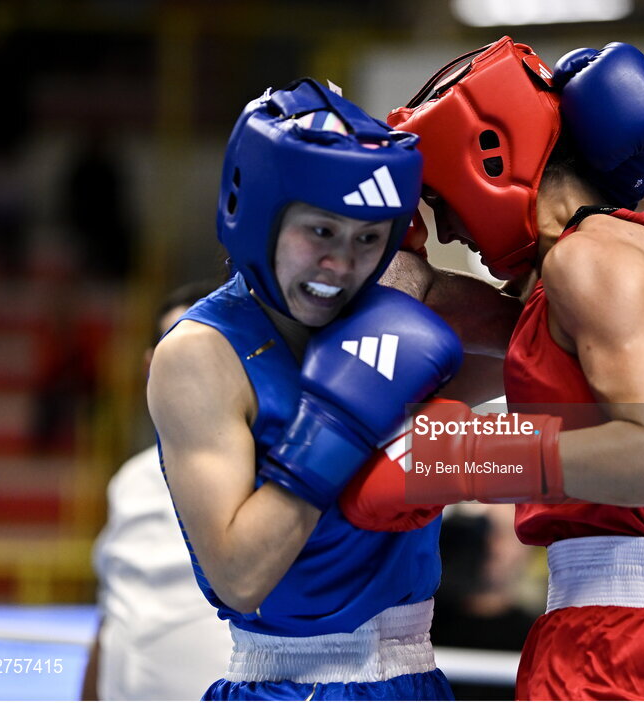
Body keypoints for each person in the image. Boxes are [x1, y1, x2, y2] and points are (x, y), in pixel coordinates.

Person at [344, 37, 644, 700]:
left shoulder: (588, 259)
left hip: (634, 646)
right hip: (601, 630)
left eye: (441, 199)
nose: (445, 230)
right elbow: (442, 323)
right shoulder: (568, 275)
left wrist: (469, 457)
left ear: (488, 158)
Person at [146, 79, 464, 701]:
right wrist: (339, 424)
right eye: (320, 232)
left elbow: (561, 381)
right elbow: (240, 576)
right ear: (262, 214)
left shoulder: (403, 305)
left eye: (367, 237)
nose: (341, 264)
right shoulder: (200, 356)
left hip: (417, 679)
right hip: (292, 683)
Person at [82, 280, 233, 701]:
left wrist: (435, 382)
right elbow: (114, 608)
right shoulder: (129, 479)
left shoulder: (291, 464)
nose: (191, 368)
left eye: (210, 350)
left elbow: (430, 481)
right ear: (151, 364)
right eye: (175, 349)